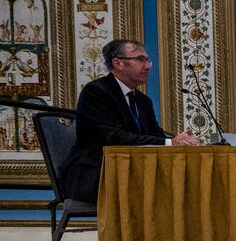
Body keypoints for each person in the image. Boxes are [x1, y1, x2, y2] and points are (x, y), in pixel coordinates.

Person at [62, 39, 200, 202]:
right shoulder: (96, 92)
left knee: (186, 184)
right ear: (118, 63)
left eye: (147, 60)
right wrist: (170, 142)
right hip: (97, 175)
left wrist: (178, 140)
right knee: (168, 193)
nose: (148, 66)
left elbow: (154, 135)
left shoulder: (143, 101)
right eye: (140, 59)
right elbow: (114, 138)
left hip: (131, 173)